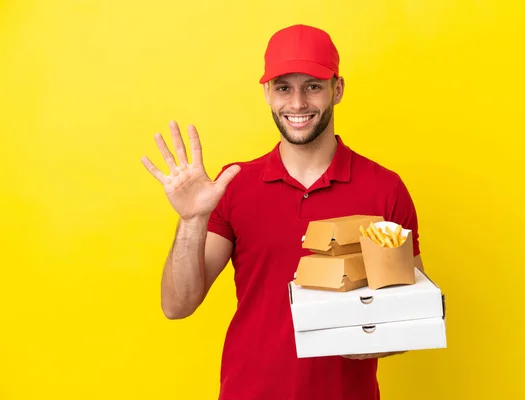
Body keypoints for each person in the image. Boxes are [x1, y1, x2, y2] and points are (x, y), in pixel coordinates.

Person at [141, 24, 424, 400]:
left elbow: (411, 313)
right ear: (267, 94)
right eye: (283, 88)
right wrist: (193, 219)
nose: (297, 104)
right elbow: (177, 305)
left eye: (313, 86)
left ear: (337, 90)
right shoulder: (234, 186)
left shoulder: (384, 189)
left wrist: (376, 340)